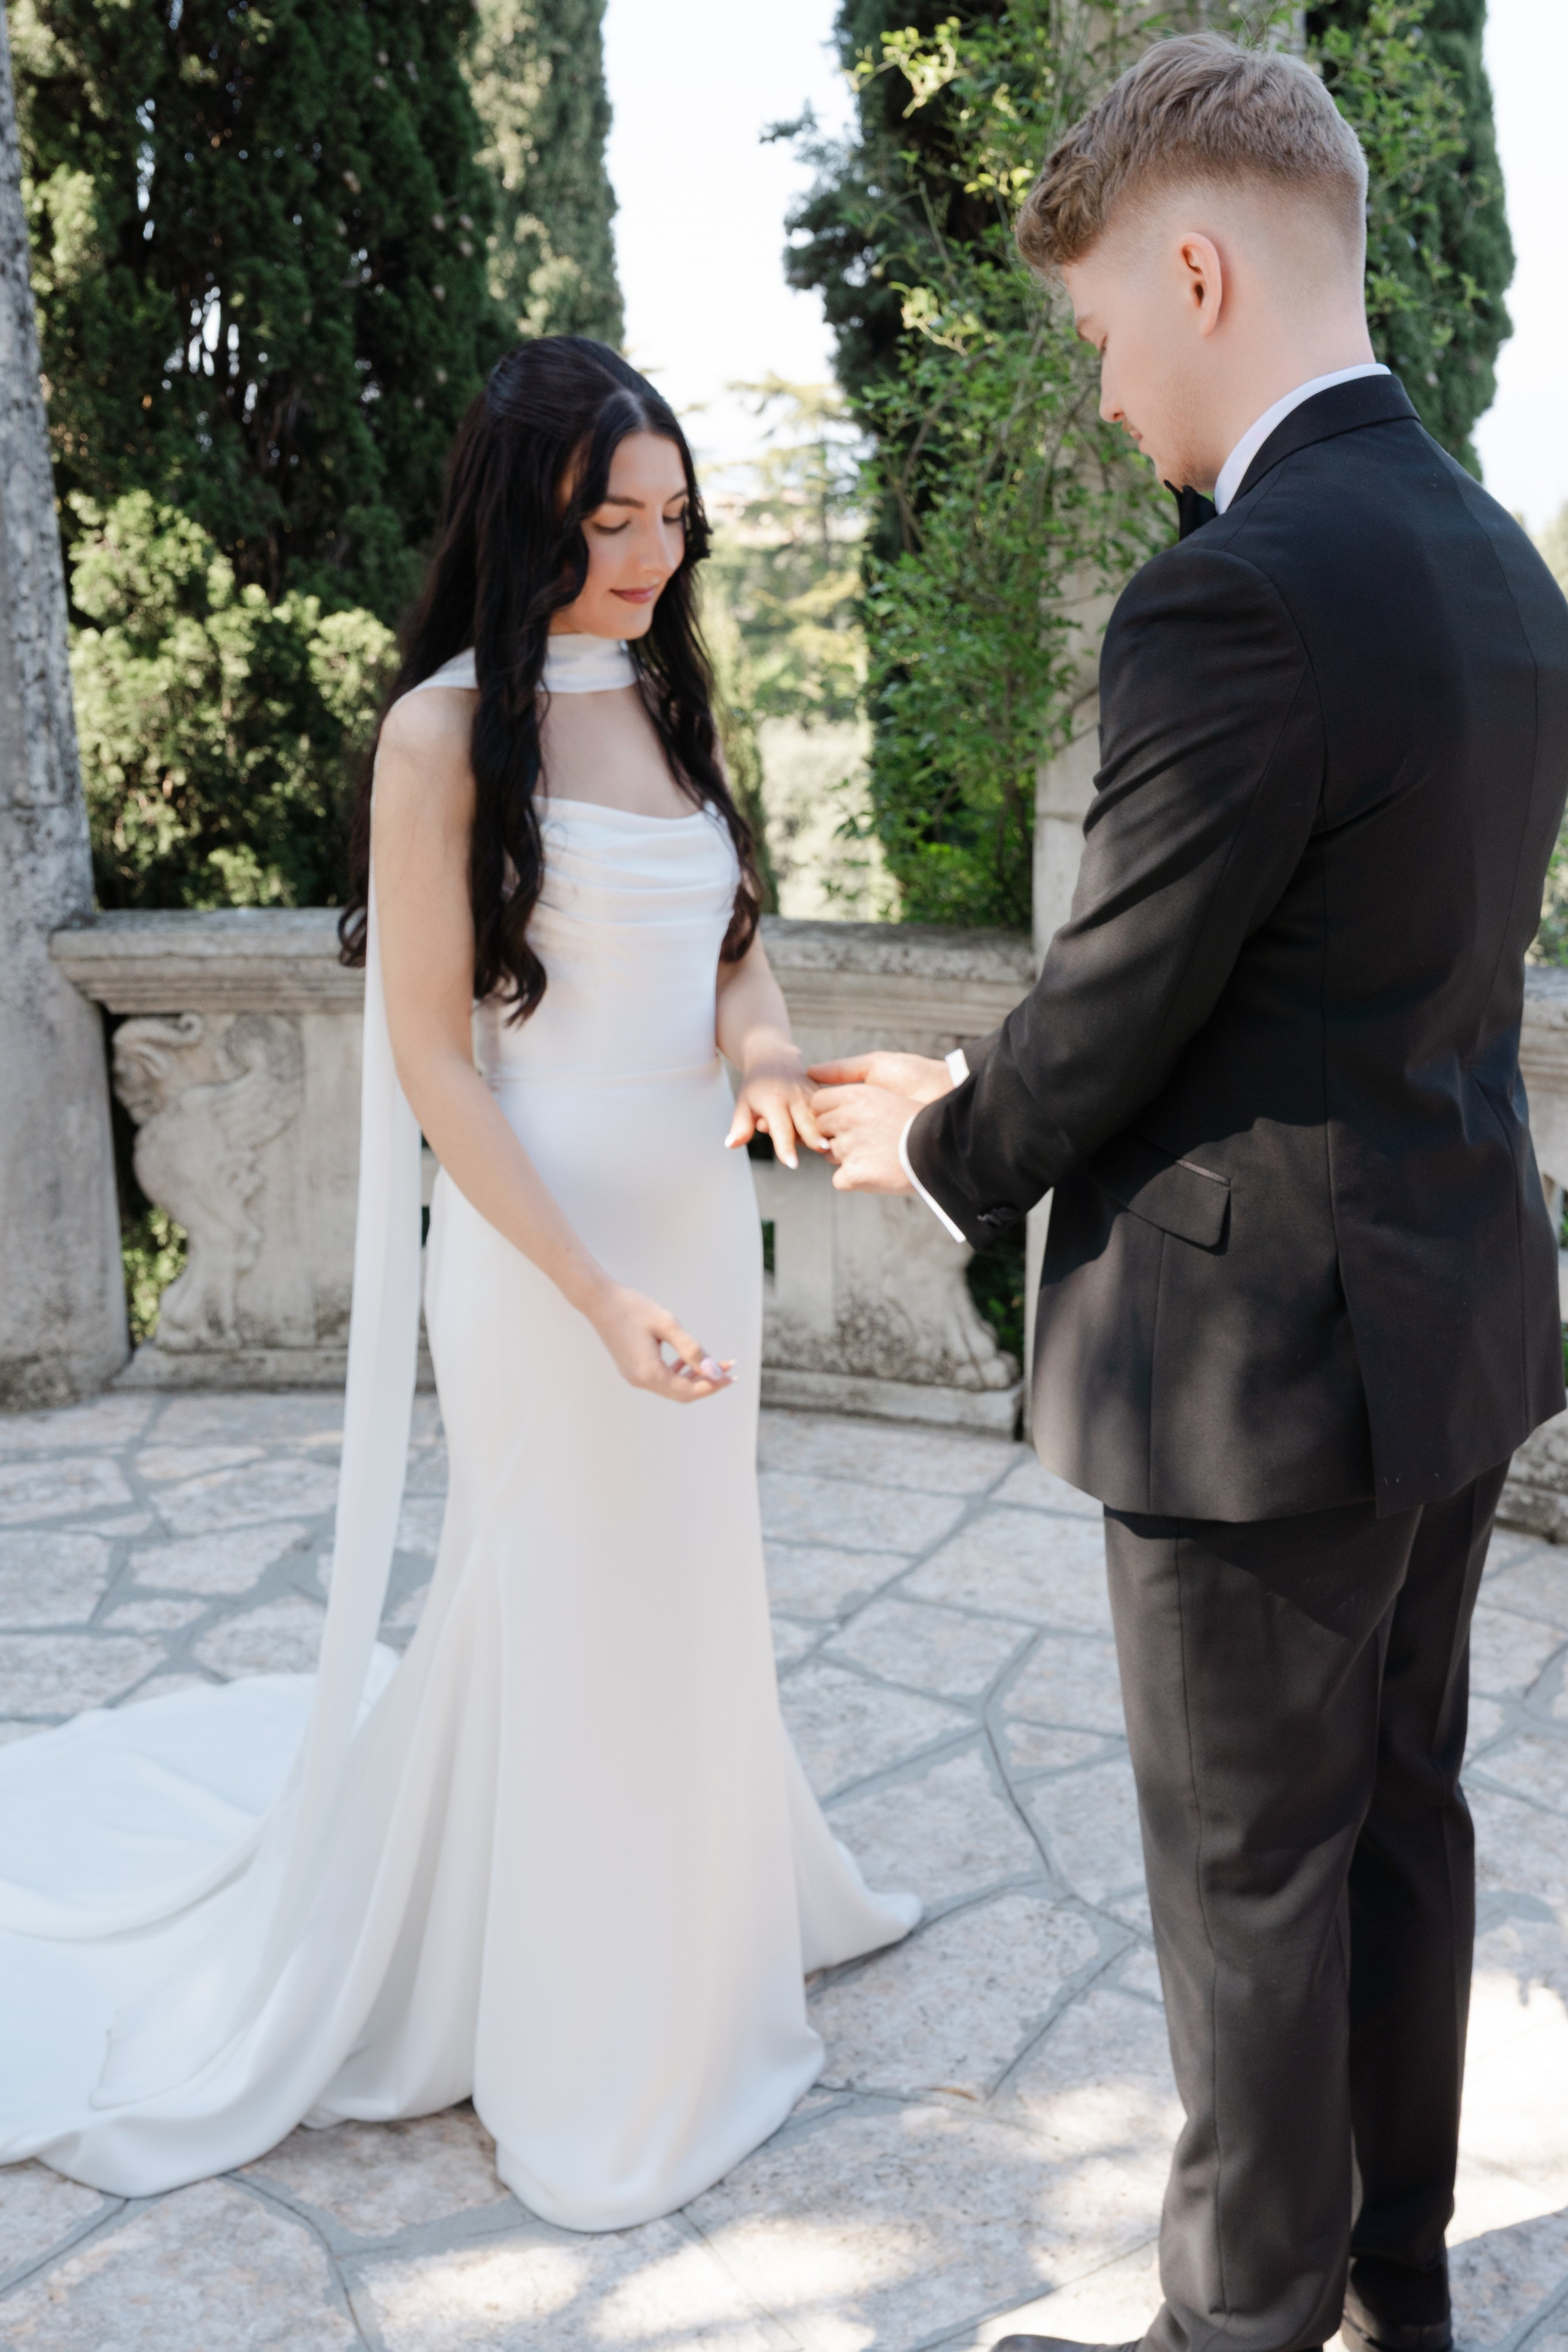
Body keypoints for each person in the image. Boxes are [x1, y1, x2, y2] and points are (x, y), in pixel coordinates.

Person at [812, 34, 1568, 2352]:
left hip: (1260, 1378)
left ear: (1206, 267)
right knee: (1403, 1836)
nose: (1115, 391)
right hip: (1450, 1326)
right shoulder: (1496, 559)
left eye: (1110, 331)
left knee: (1252, 1880)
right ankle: (1389, 2298)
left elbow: (1114, 1009)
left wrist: (929, 1135)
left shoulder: (1236, 595)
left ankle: (1237, 2328)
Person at [0, 336, 915, 2225]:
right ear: (525, 518)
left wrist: (763, 1062)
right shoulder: (435, 736)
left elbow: (736, 950)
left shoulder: (676, 702)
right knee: (570, 1602)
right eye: (609, 524)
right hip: (537, 1246)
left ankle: (713, 1918)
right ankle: (583, 2034)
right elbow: (433, 1063)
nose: (652, 559)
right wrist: (588, 1294)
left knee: (686, 1590)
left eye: (672, 519)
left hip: (692, 1227)